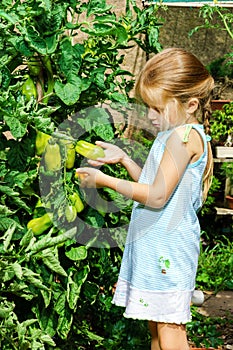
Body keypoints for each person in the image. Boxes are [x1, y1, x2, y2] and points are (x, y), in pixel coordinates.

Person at [76, 47, 214, 350]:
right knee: (157, 329)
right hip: (158, 250)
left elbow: (156, 196)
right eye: (147, 107)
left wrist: (104, 180)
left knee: (170, 331)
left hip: (169, 252)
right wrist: (125, 159)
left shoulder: (185, 137)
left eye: (157, 108)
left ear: (190, 104)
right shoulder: (173, 134)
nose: (150, 116)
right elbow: (155, 185)